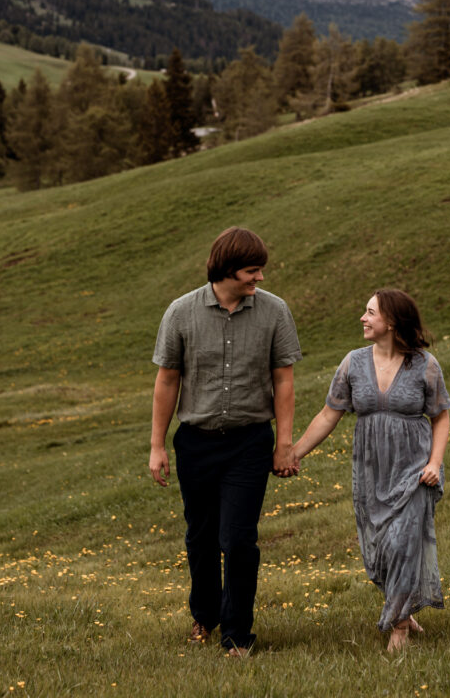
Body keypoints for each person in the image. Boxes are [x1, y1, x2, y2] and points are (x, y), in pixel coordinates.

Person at [149, 226, 302, 656]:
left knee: (238, 540)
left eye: (260, 271)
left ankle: (237, 634)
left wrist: (284, 444)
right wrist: (157, 445)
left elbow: (284, 381)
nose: (259, 279)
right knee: (200, 537)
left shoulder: (275, 312)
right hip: (195, 443)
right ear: (225, 269)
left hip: (249, 443)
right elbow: (167, 380)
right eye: (252, 271)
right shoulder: (180, 313)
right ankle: (205, 615)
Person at [292, 288, 450, 652]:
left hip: (415, 469)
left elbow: (440, 417)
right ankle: (404, 605)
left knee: (402, 543)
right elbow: (328, 414)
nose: (362, 319)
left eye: (370, 312)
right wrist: (293, 453)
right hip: (371, 472)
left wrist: (434, 464)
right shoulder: (352, 363)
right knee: (378, 552)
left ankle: (398, 627)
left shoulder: (425, 365)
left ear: (391, 322)